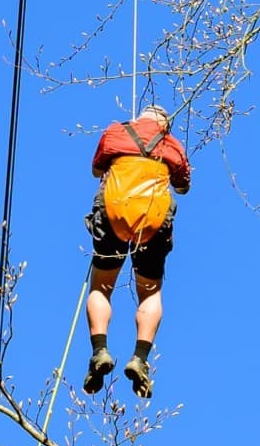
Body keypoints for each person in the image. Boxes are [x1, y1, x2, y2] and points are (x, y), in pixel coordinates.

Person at [82, 103, 191, 399]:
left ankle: (100, 351)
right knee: (150, 292)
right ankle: (140, 358)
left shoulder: (115, 132)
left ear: (139, 117)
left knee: (101, 288)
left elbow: (96, 169)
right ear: (165, 124)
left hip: (114, 211)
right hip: (153, 220)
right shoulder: (172, 145)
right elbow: (182, 186)